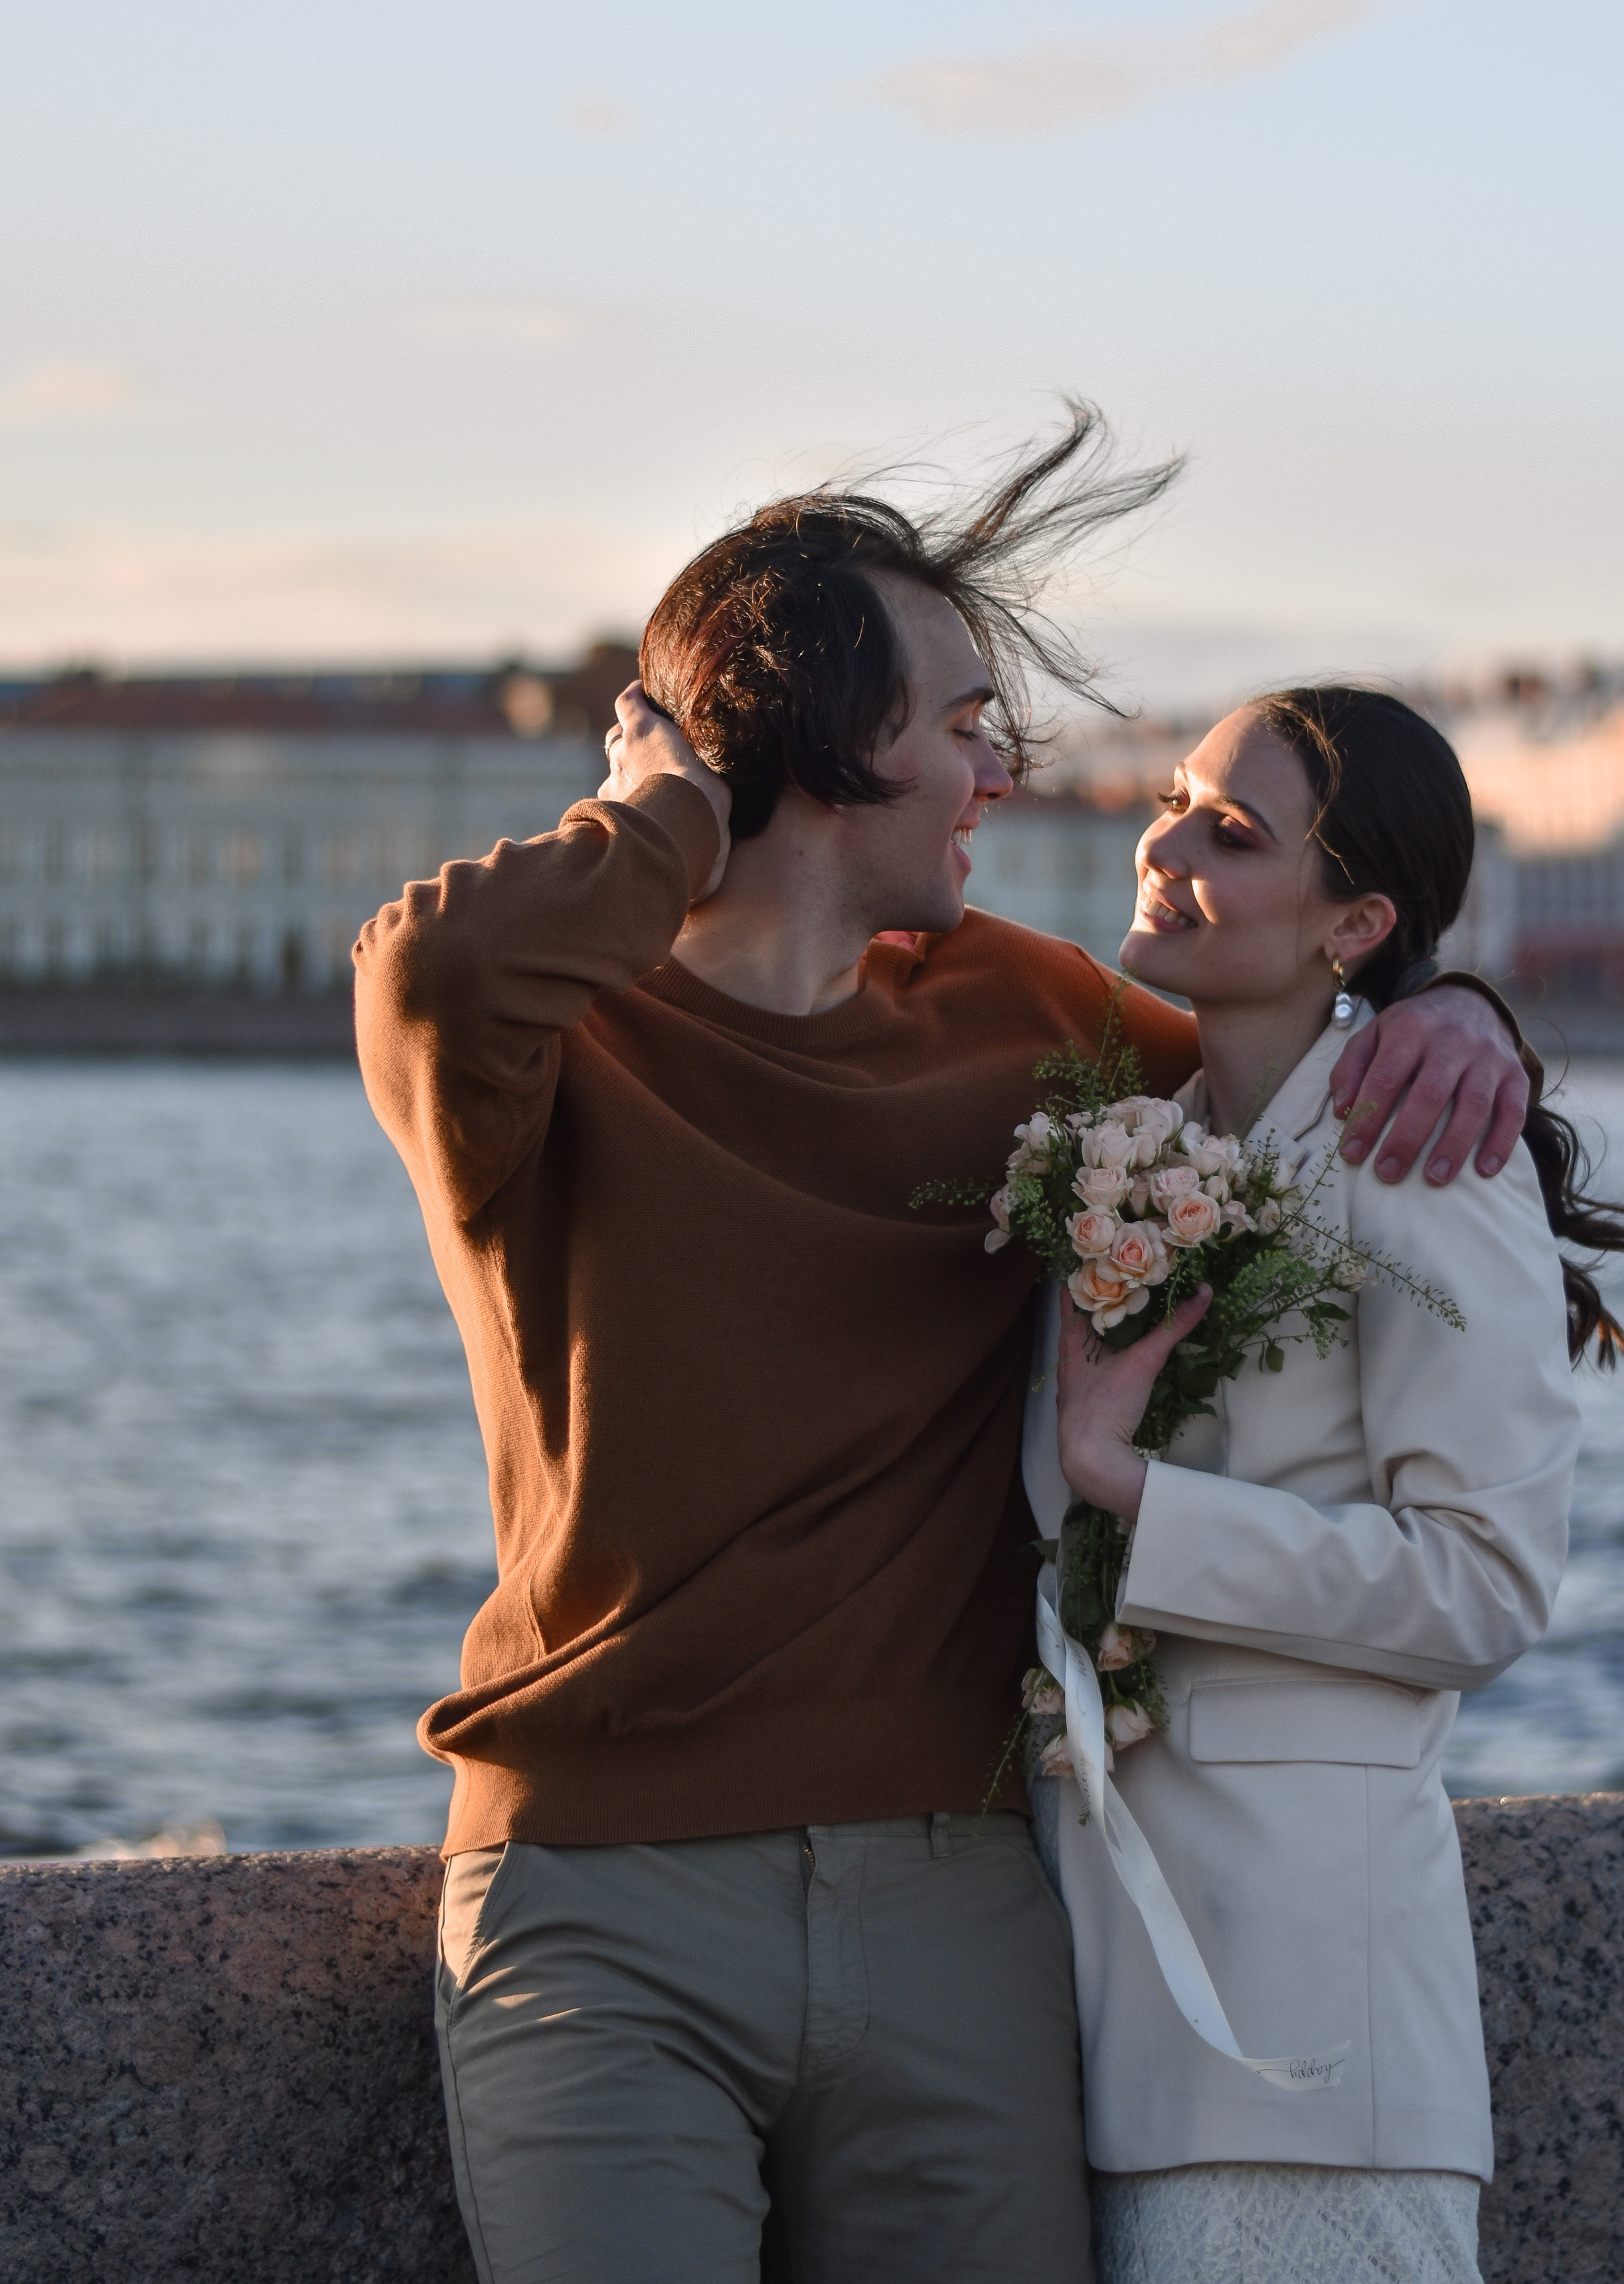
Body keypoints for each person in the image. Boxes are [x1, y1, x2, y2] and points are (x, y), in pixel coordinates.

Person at [353, 412, 1533, 2284]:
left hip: (960, 1897)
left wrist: (1453, 1004)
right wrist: (671, 804)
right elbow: (427, 967)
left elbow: (1289, 1046)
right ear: (819, 745)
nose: (1003, 764)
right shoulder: (542, 1047)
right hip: (598, 1902)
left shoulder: (1025, 1016)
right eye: (961, 719)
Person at [1026, 685, 1624, 2284]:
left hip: (1307, 2028)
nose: (1162, 842)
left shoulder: (1420, 1153)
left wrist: (1134, 1497)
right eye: (1173, 798)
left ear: (1353, 921)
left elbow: (1482, 1582)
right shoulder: (1132, 1145)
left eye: (1231, 834)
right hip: (1107, 2015)